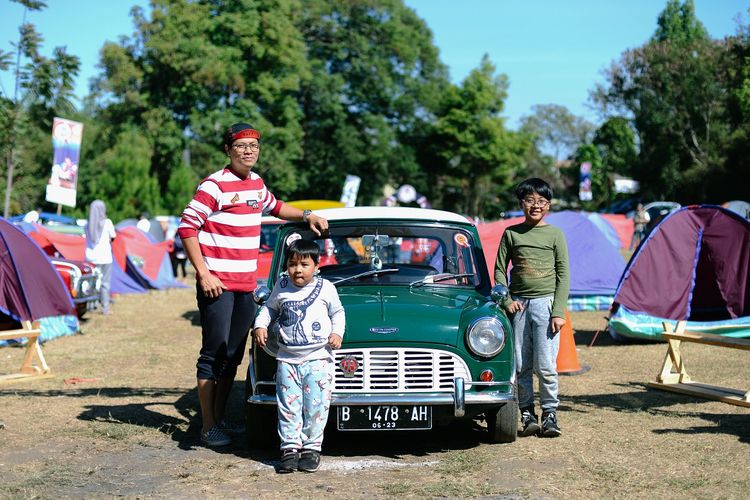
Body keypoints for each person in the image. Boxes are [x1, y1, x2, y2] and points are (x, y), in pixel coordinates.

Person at [177, 122, 328, 448]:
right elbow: (187, 227)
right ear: (228, 150)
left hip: (247, 287)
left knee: (232, 356)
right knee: (212, 354)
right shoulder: (214, 185)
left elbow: (276, 207)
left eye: (253, 146)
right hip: (218, 285)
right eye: (242, 146)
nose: (249, 151)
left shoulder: (257, 184)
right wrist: (204, 273)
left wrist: (307, 215)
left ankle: (219, 419)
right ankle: (207, 427)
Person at [253, 239, 345, 473]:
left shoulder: (326, 288)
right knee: (288, 407)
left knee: (316, 407)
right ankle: (289, 449)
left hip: (318, 360)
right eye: (292, 264)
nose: (298, 270)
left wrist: (337, 332)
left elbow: (338, 312)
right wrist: (260, 326)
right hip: (287, 359)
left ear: (317, 265)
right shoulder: (282, 285)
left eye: (304, 264)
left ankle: (311, 449)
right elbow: (269, 308)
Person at [494, 178, 570, 438]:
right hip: (518, 307)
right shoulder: (511, 233)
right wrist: (506, 300)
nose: (535, 206)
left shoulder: (555, 234)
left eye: (540, 201)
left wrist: (558, 311)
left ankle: (550, 414)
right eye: (529, 200)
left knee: (546, 365)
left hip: (546, 307)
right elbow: (499, 270)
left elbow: (564, 273)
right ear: (521, 204)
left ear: (548, 205)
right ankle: (527, 413)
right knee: (521, 365)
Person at [85, 200, 117, 315]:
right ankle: (105, 308)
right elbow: (113, 236)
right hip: (105, 257)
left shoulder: (87, 224)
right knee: (105, 283)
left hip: (91, 258)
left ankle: (91, 305)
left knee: (92, 282)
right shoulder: (107, 223)